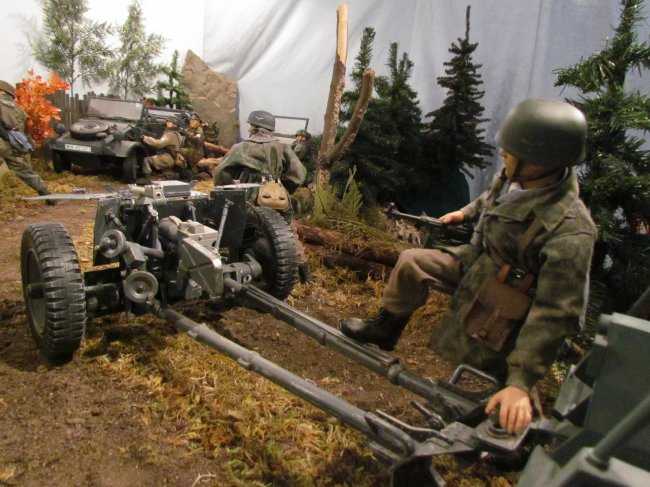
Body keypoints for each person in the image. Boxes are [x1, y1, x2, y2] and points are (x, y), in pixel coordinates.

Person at [341, 99, 597, 434]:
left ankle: (501, 416)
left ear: (541, 160)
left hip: (508, 293)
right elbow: (491, 197)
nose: (503, 155)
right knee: (412, 262)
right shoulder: (518, 174)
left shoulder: (570, 230)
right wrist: (464, 213)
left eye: (512, 151)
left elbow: (555, 313)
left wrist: (521, 381)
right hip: (477, 259)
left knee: (481, 360)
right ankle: (385, 328)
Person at [214, 110, 310, 282]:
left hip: (249, 196)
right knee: (288, 232)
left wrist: (229, 188)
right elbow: (299, 174)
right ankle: (305, 274)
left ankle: (239, 268)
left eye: (250, 126)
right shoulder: (283, 147)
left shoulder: (241, 148)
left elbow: (221, 172)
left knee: (239, 229)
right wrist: (283, 188)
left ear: (254, 127)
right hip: (277, 196)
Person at [0, 80, 52, 202]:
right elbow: (26, 127)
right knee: (24, 171)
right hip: (13, 144)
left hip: (2, 140)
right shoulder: (18, 109)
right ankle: (46, 194)